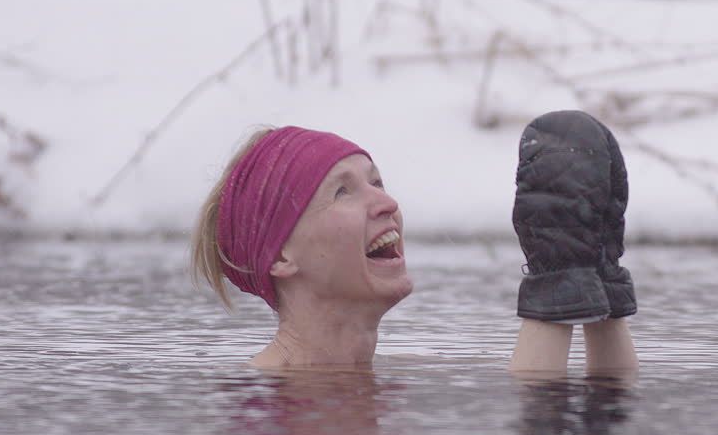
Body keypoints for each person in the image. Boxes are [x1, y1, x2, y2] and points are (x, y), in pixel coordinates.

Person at [191, 110, 638, 373]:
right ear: (282, 254)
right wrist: (555, 286)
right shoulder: (259, 398)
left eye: (377, 182)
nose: (386, 202)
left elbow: (602, 406)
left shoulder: (412, 368)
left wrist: (596, 279)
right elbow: (544, 420)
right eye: (343, 191)